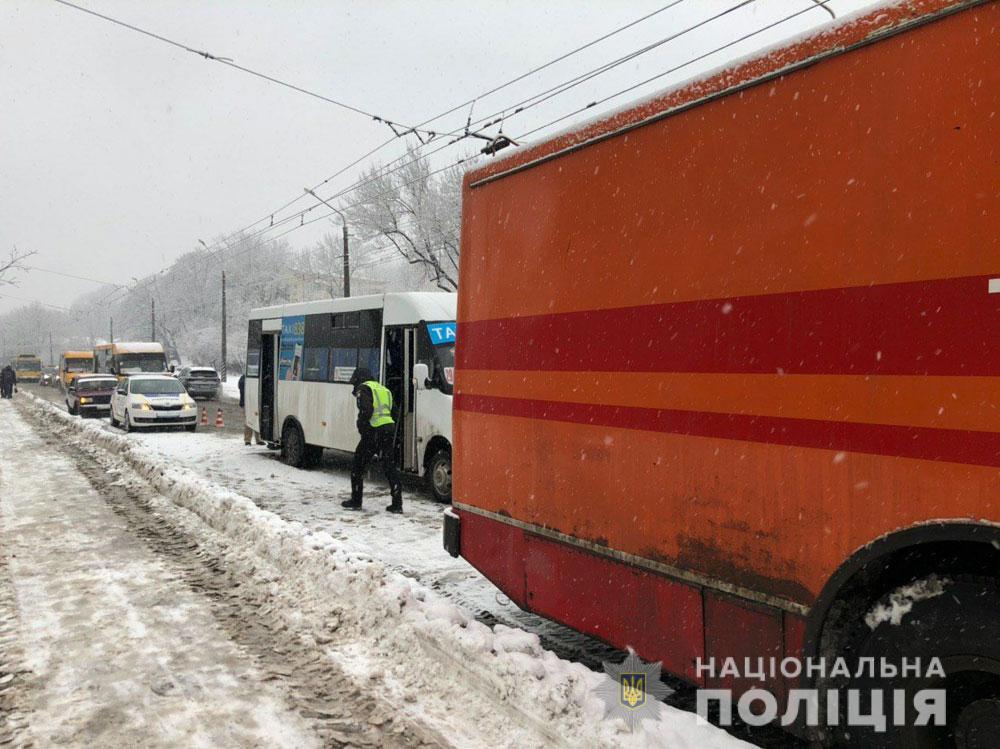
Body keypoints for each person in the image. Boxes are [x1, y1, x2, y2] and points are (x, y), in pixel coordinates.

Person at [341, 368, 402, 513]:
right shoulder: (384, 389)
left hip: (373, 431)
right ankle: (397, 504)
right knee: (390, 467)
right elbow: (395, 412)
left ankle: (356, 501)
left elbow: (366, 411)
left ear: (359, 379)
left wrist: (362, 427)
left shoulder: (364, 388)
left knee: (357, 465)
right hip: (388, 429)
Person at [237, 373, 263, 446]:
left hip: (256, 402)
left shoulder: (257, 377)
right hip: (246, 402)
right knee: (249, 420)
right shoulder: (244, 379)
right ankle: (247, 440)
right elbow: (242, 388)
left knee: (258, 420)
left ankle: (259, 439)